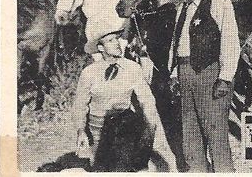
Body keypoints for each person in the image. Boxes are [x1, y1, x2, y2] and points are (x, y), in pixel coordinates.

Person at [155, 0, 240, 172]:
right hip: (185, 72)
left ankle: (223, 171)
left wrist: (225, 77)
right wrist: (175, 72)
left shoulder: (219, 1)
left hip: (210, 73)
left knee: (214, 131)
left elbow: (230, 41)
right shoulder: (183, 7)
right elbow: (178, 42)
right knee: (190, 130)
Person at [72, 27, 177, 172]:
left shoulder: (132, 68)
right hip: (97, 131)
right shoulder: (89, 73)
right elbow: (80, 105)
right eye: (110, 40)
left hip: (123, 127)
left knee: (125, 166)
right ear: (101, 48)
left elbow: (146, 100)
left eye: (116, 39)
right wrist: (80, 130)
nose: (116, 43)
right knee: (100, 169)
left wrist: (151, 128)